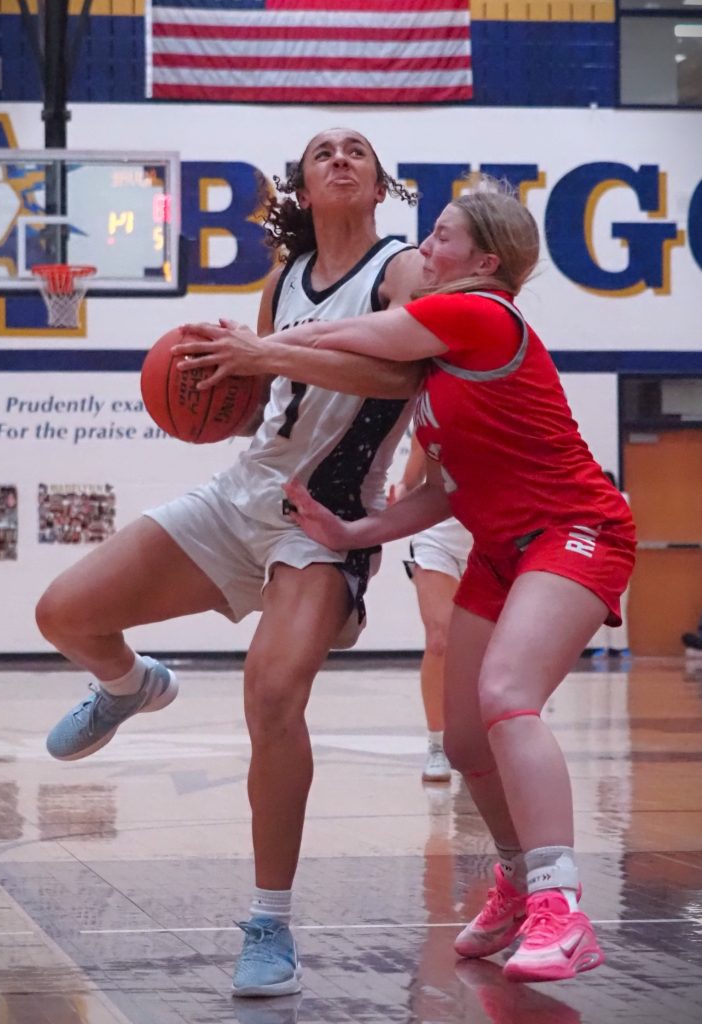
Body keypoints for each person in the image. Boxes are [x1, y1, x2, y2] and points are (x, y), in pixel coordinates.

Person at [178, 176, 636, 984]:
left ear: (485, 261)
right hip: (502, 548)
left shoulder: (480, 313)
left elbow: (352, 334)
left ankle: (563, 909)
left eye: (441, 238)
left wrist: (261, 349)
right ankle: (519, 880)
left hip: (578, 529)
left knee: (505, 698)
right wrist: (355, 530)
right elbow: (446, 491)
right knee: (463, 740)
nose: (424, 248)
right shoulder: (444, 367)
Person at [36, 128, 425, 997]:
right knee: (64, 612)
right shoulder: (282, 279)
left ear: (378, 183)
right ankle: (131, 684)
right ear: (303, 184)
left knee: (274, 693)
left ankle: (268, 923)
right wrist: (215, 381)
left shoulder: (402, 270)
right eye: (322, 150)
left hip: (323, 521)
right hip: (241, 495)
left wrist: (263, 355)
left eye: (356, 149)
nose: (338, 157)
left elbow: (406, 378)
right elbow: (267, 408)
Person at [390, 432, 472, 782]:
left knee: (486, 650)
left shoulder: (506, 397)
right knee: (440, 639)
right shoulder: (437, 403)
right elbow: (414, 467)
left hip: (491, 534)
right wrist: (402, 492)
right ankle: (437, 745)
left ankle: (480, 740)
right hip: (436, 535)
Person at [589, 470, 631, 661]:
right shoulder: (590, 501)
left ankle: (620, 646)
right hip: (596, 559)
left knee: (619, 605)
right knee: (595, 604)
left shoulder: (621, 500)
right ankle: (600, 645)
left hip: (618, 560)